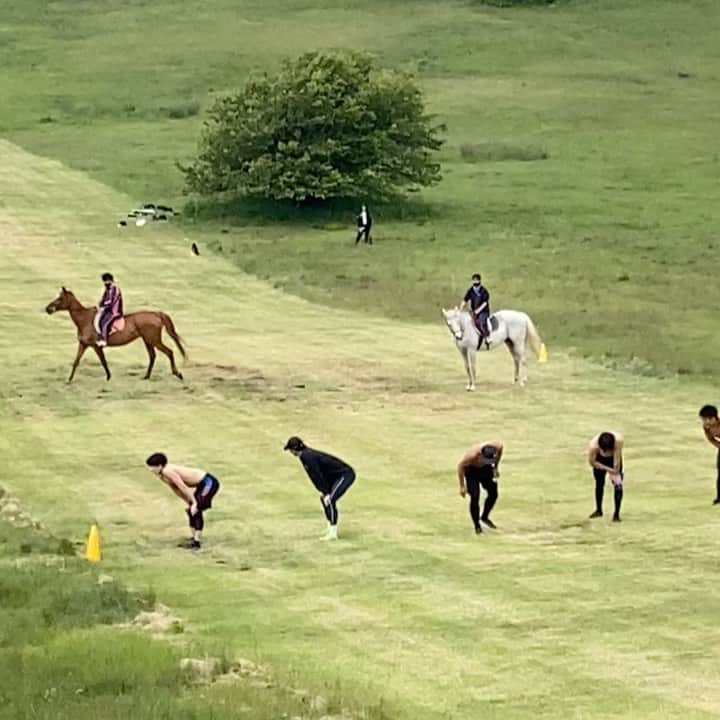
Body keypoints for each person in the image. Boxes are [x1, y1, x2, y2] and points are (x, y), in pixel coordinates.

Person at [284, 436, 356, 540]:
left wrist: (327, 492)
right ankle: (329, 527)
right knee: (325, 499)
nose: (291, 452)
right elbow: (317, 476)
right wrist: (324, 492)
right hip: (334, 477)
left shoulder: (308, 456)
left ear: (295, 449)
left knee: (330, 500)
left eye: (291, 450)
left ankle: (333, 533)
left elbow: (317, 475)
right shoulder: (304, 456)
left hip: (345, 474)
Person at [145, 453, 221, 551]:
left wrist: (194, 503)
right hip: (201, 485)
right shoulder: (162, 475)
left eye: (153, 467)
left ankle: (197, 543)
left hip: (208, 482)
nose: (151, 470)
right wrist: (189, 502)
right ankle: (194, 538)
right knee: (191, 510)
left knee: (196, 510)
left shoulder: (168, 471)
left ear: (160, 466)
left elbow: (182, 486)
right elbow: (176, 489)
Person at [457, 441, 503, 534]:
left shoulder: (498, 448)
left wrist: (495, 468)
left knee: (493, 493)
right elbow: (460, 466)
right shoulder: (472, 456)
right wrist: (462, 486)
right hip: (472, 472)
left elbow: (499, 453)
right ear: (480, 455)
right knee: (475, 496)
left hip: (485, 470)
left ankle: (484, 517)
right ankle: (477, 526)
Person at [588, 432, 624, 521]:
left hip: (610, 461)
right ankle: (599, 510)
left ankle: (616, 514)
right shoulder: (593, 446)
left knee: (618, 486)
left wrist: (604, 468)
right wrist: (605, 468)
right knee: (599, 484)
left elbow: (616, 468)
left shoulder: (618, 442)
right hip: (599, 459)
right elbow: (592, 462)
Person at [460, 273, 490, 346]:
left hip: (483, 311)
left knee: (482, 322)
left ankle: (487, 337)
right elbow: (465, 300)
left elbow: (485, 303)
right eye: (474, 281)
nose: (475, 283)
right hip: (474, 312)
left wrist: (478, 311)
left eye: (477, 281)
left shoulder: (484, 291)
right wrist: (461, 307)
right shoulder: (470, 290)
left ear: (480, 281)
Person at [699, 405, 720, 504]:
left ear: (713, 419)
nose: (704, 422)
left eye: (705, 420)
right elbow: (711, 439)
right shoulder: (707, 427)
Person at [97, 272, 123, 347]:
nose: (105, 283)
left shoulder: (115, 289)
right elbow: (104, 298)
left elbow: (111, 301)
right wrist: (100, 304)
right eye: (104, 281)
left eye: (106, 281)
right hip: (108, 309)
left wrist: (104, 305)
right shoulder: (107, 289)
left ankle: (104, 340)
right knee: (100, 320)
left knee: (106, 323)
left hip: (115, 310)